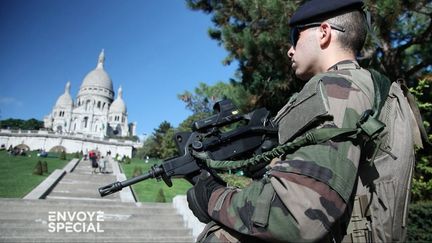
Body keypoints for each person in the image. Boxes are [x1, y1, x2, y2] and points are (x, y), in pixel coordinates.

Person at [186, 0, 375, 242]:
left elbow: (295, 217)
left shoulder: (334, 89)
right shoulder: (365, 85)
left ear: (324, 33)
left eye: (295, 35)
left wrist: (213, 197)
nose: (290, 50)